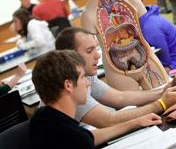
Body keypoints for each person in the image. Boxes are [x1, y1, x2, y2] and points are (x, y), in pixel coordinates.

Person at [54, 27, 176, 127]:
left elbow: (119, 97)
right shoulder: (70, 86)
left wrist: (162, 91)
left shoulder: (84, 74)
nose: (97, 56)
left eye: (96, 49)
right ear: (70, 56)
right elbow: (108, 120)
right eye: (89, 51)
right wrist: (161, 103)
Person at [30, 50, 162, 148]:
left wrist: (135, 123)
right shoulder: (70, 137)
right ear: (68, 85)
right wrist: (160, 105)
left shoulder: (43, 117)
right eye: (82, 77)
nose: (88, 83)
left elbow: (88, 137)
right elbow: (83, 140)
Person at [79, 0, 169, 91]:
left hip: (146, 59)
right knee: (135, 110)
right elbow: (88, 48)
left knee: (167, 97)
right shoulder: (88, 15)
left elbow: (149, 28)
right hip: (116, 69)